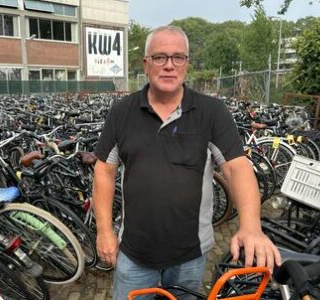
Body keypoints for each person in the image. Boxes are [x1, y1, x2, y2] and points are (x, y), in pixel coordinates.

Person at [92, 25, 282, 299]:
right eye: (160, 57)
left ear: (187, 64)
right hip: (134, 254)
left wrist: (251, 226)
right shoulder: (122, 112)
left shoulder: (211, 112)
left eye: (178, 57)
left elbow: (236, 166)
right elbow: (104, 171)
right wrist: (104, 231)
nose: (169, 65)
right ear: (146, 64)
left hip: (189, 257)